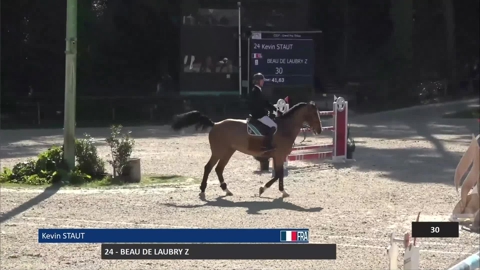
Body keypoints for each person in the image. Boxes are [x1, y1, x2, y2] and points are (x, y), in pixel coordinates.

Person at [248, 73, 278, 151]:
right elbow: (258, 105)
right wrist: (267, 112)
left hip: (259, 113)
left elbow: (265, 103)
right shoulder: (255, 91)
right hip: (258, 115)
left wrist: (275, 109)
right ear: (258, 81)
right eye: (262, 80)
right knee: (274, 126)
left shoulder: (258, 90)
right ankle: (266, 145)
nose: (263, 82)